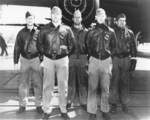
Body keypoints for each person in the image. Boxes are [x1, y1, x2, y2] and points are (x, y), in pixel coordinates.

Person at [37, 6, 75, 120]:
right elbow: (39, 44)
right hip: (48, 59)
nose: (55, 15)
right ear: (51, 15)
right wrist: (46, 54)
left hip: (62, 59)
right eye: (53, 13)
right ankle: (47, 111)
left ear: (61, 15)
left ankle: (63, 110)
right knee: (47, 85)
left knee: (63, 86)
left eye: (57, 13)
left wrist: (65, 53)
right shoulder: (44, 29)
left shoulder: (67, 29)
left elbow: (72, 45)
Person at [85, 8, 117, 120]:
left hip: (106, 61)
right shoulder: (91, 31)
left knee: (105, 88)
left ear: (105, 16)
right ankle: (92, 111)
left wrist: (108, 58)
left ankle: (105, 110)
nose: (101, 17)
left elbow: (114, 47)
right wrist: (93, 57)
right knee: (92, 87)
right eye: (98, 15)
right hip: (94, 60)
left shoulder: (111, 31)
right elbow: (87, 47)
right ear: (95, 17)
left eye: (102, 15)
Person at [14, 11, 43, 114]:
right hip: (25, 59)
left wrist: (42, 60)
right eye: (28, 18)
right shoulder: (21, 33)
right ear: (25, 20)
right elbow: (17, 47)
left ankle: (38, 104)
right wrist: (15, 61)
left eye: (32, 18)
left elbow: (42, 46)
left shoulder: (39, 32)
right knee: (23, 84)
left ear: (34, 19)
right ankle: (22, 105)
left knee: (38, 83)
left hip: (36, 59)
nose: (30, 20)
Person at [109, 14, 137, 114]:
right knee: (114, 82)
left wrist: (133, 59)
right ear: (116, 22)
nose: (122, 22)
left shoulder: (130, 33)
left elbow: (133, 46)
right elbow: (108, 46)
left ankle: (125, 104)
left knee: (125, 83)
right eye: (120, 20)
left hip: (126, 59)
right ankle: (113, 105)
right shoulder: (112, 32)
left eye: (124, 21)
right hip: (115, 58)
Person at [67, 10, 88, 110]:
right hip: (71, 58)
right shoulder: (68, 30)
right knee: (71, 81)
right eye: (75, 17)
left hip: (83, 58)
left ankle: (83, 102)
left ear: (81, 18)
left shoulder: (87, 31)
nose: (77, 19)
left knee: (83, 81)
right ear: (72, 19)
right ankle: (69, 101)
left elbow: (90, 46)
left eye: (79, 17)